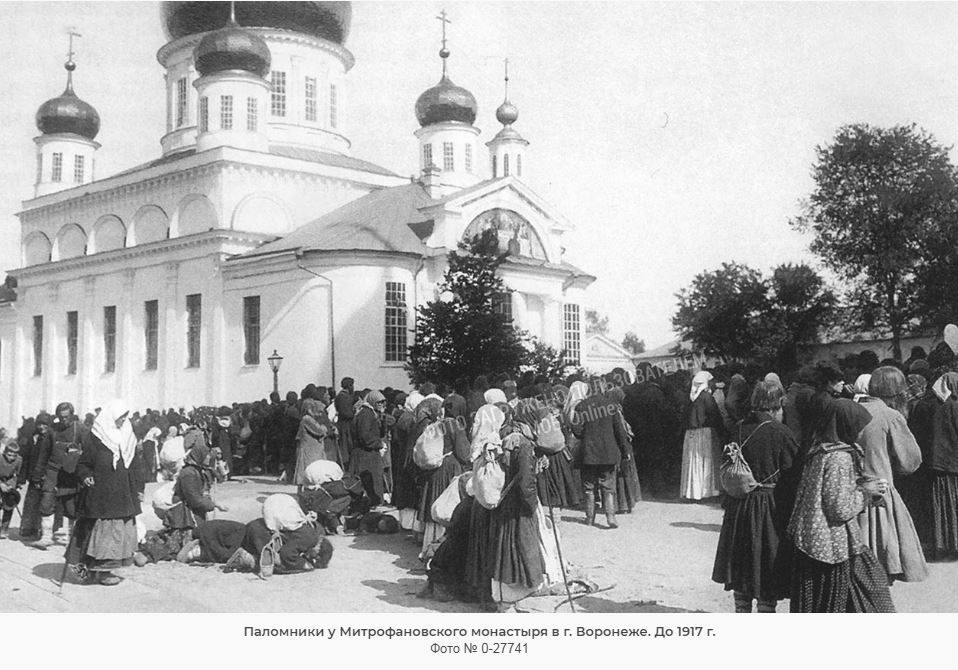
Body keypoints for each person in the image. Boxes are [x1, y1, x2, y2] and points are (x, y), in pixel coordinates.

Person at [788, 399, 895, 612]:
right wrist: (867, 493)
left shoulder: (820, 450)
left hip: (812, 540)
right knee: (869, 592)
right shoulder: (839, 458)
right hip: (832, 544)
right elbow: (839, 508)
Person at [711, 382, 798, 613]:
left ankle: (742, 613)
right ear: (777, 404)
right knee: (766, 567)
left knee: (741, 566)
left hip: (738, 507)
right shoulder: (781, 433)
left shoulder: (738, 429)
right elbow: (792, 476)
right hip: (769, 508)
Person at [854, 367, 927, 582]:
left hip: (853, 494)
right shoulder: (890, 415)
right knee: (883, 566)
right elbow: (910, 460)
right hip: (881, 494)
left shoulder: (853, 410)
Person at [68, 400, 145, 586]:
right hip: (100, 493)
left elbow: (135, 466)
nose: (123, 420)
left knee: (117, 532)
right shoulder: (95, 438)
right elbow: (83, 463)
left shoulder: (128, 437)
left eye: (125, 417)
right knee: (98, 532)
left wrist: (139, 488)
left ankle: (106, 570)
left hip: (122, 493)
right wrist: (85, 476)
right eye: (120, 417)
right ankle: (93, 570)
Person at [573, 378, 632, 528]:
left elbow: (577, 430)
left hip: (588, 453)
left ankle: (589, 518)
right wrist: (625, 451)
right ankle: (610, 517)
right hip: (608, 453)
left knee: (589, 488)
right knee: (608, 487)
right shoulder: (611, 406)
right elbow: (620, 431)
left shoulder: (582, 406)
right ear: (604, 388)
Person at [680, 371, 725, 501]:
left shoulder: (689, 398)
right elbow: (714, 416)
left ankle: (693, 492)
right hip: (705, 433)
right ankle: (707, 491)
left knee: (693, 461)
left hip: (691, 433)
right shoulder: (707, 397)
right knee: (706, 460)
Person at [928, 371, 958, 558]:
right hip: (953, 463)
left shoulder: (938, 407)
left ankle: (950, 544)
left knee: (948, 506)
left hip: (942, 464)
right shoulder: (954, 407)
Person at [19, 412, 53, 544]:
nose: (42, 427)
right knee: (31, 502)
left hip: (44, 475)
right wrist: (23, 476)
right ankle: (27, 528)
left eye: (45, 424)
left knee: (43, 504)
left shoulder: (50, 439)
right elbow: (26, 458)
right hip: (33, 475)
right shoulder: (32, 438)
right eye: (39, 424)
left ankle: (40, 530)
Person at [293, 398, 334, 489]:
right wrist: (325, 427)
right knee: (308, 472)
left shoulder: (310, 419)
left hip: (312, 450)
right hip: (309, 450)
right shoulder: (307, 419)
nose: (320, 415)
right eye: (318, 412)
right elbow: (319, 430)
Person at [0, 439, 23, 539]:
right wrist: (1, 484)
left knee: (9, 504)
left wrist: (12, 486)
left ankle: (4, 529)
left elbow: (16, 475)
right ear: (5, 453)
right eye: (9, 455)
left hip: (9, 481)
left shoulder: (19, 460)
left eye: (14, 455)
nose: (11, 458)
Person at [334, 377, 357, 467]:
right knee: (346, 446)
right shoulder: (343, 396)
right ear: (349, 386)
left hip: (345, 424)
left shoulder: (342, 396)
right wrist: (355, 411)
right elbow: (346, 413)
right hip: (345, 425)